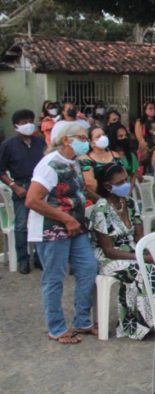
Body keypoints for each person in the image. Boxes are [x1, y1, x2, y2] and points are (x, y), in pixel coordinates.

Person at [25, 122, 97, 344]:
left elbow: (79, 191)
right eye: (81, 138)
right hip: (52, 230)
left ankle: (82, 320)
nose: (86, 142)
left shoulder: (74, 162)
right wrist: (65, 218)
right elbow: (32, 200)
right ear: (66, 140)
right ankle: (56, 328)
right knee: (54, 278)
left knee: (88, 268)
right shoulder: (50, 165)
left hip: (75, 228)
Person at [89, 163, 155, 339]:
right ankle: (140, 323)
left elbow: (139, 236)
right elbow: (108, 251)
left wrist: (147, 252)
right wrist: (139, 258)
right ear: (108, 187)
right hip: (109, 257)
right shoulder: (101, 209)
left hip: (131, 249)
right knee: (143, 270)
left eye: (126, 180)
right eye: (120, 183)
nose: (126, 185)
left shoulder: (129, 203)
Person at [0, 109, 46, 273]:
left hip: (40, 184)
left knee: (42, 222)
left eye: (30, 121)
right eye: (23, 122)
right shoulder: (8, 145)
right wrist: (14, 186)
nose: (28, 125)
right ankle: (23, 260)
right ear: (16, 126)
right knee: (21, 224)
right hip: (21, 186)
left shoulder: (40, 142)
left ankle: (40, 258)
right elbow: (1, 170)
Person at [78, 126, 121, 202]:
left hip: (119, 196)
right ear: (91, 142)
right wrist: (103, 201)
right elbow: (89, 186)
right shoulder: (86, 160)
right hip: (98, 200)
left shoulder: (115, 155)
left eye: (103, 135)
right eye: (98, 136)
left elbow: (123, 176)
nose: (103, 138)